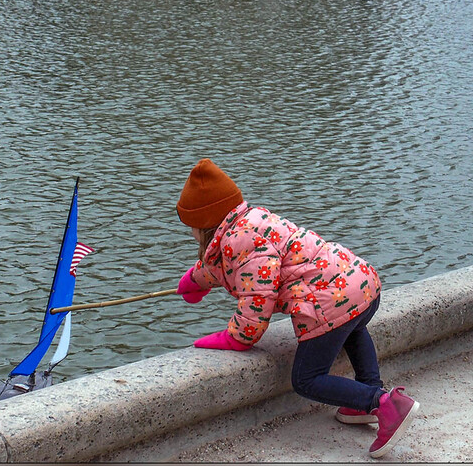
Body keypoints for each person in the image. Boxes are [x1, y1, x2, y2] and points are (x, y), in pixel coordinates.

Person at [174, 158, 421, 459]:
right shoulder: (252, 220)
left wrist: (236, 337)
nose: (190, 233)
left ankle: (382, 403)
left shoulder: (239, 241)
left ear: (204, 224)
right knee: (354, 327)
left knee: (306, 378)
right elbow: (230, 265)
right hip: (360, 281)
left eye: (191, 227)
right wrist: (196, 279)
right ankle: (368, 396)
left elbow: (257, 296)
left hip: (326, 302)